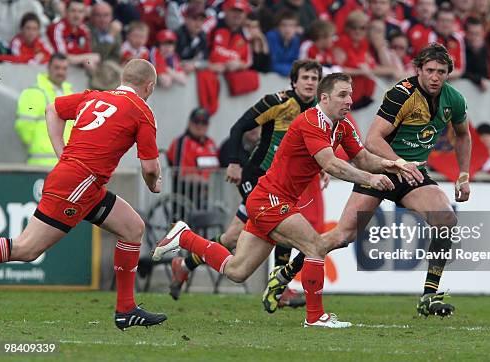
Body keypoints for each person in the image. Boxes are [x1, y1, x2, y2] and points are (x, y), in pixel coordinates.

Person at [153, 72, 417, 328]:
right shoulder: (311, 120)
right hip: (270, 198)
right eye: (343, 95)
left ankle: (184, 237)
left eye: (351, 95)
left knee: (236, 271)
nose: (349, 100)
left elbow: (362, 158)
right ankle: (315, 317)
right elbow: (331, 164)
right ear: (324, 98)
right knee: (315, 246)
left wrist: (391, 164)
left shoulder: (343, 125)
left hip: (273, 199)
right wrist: (370, 179)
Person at [262, 43, 471, 318]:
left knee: (445, 220)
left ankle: (429, 296)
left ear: (448, 74)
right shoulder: (401, 94)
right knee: (342, 236)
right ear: (418, 69)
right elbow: (373, 139)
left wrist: (464, 175)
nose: (435, 76)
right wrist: (398, 163)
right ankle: (285, 274)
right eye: (429, 70)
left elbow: (463, 135)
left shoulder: (453, 100)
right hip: (380, 169)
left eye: (441, 72)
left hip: (413, 173)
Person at [0, 59, 166, 330]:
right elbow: (149, 167)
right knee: (26, 249)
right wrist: (154, 183)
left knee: (133, 228)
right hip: (78, 183)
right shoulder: (141, 110)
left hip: (86, 185)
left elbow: (53, 109)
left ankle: (126, 310)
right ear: (150, 86)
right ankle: (125, 308)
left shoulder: (95, 97)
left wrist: (61, 153)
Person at [167, 60, 323, 309]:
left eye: (314, 78)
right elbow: (238, 127)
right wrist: (234, 162)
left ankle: (184, 263)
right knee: (281, 222)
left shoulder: (317, 111)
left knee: (231, 238)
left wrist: (321, 168)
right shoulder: (278, 102)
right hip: (256, 177)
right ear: (294, 81)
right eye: (305, 77)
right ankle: (280, 288)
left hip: (280, 184)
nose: (309, 82)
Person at [16, 53, 73, 167]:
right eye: (57, 68)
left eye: (64, 68)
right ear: (48, 68)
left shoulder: (69, 94)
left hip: (66, 165)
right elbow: (24, 126)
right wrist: (38, 146)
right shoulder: (34, 92)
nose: (60, 72)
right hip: (41, 163)